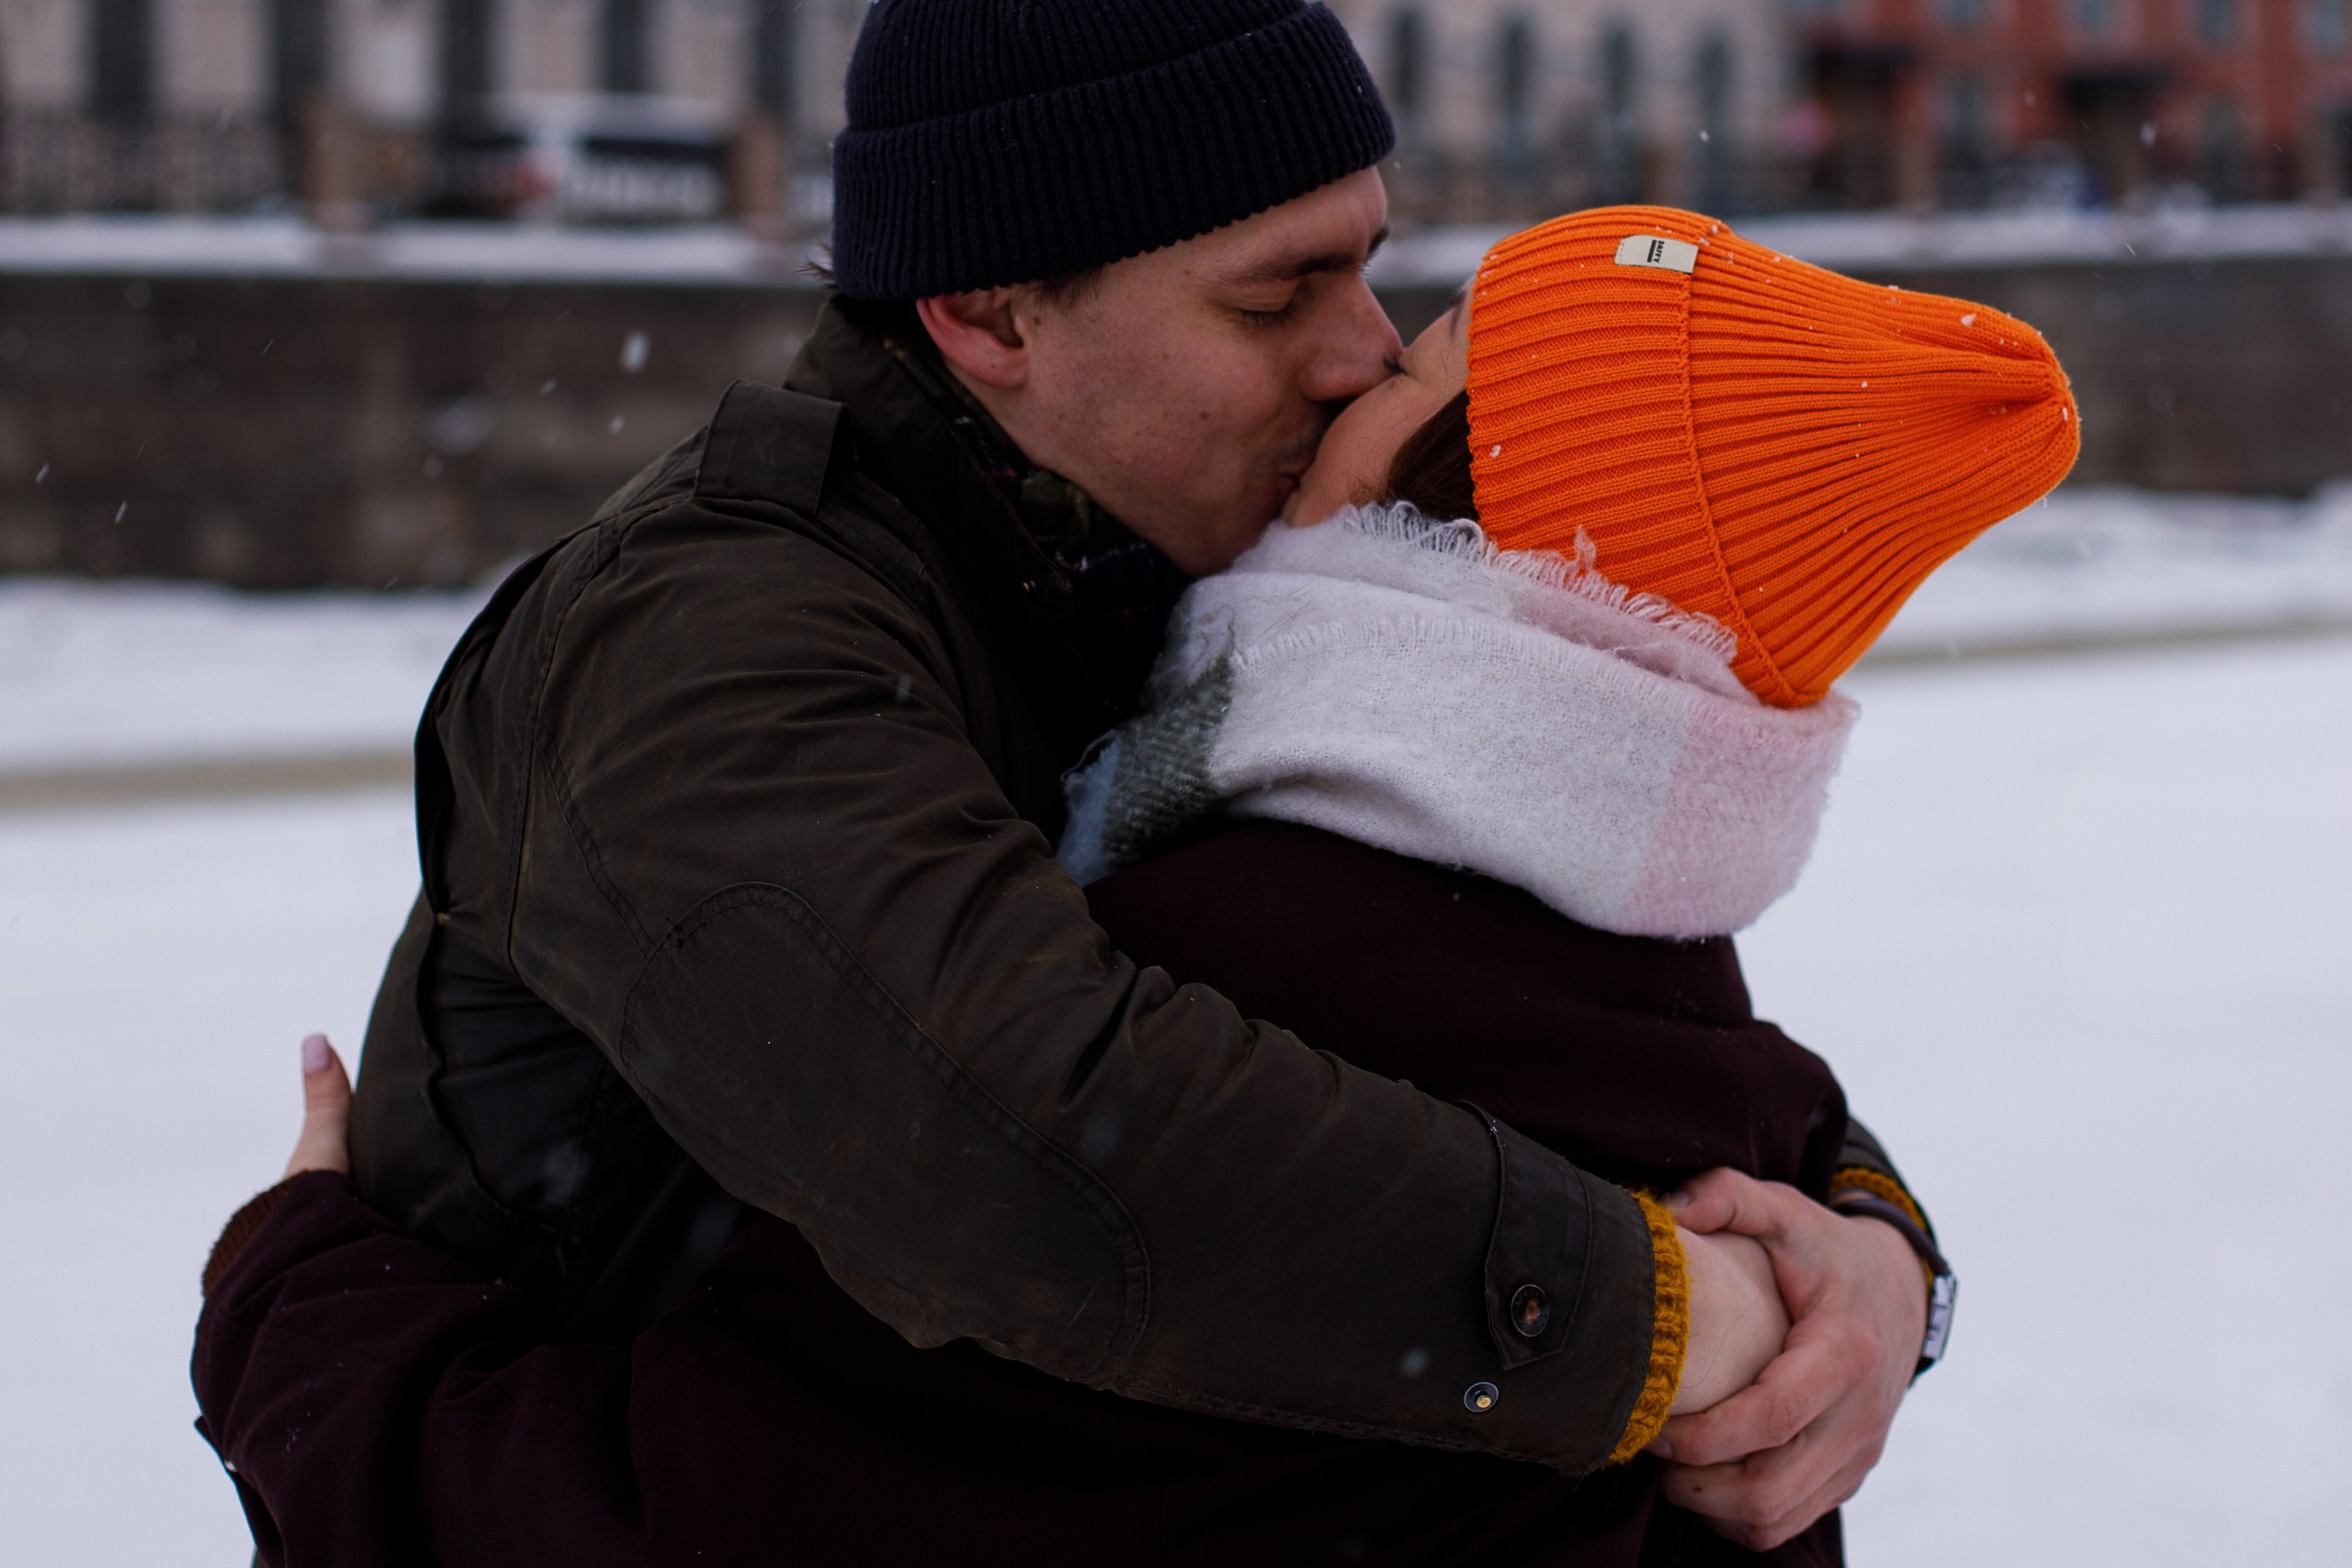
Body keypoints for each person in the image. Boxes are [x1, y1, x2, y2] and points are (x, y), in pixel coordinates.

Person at [230, 0, 1939, 1550]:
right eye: (1276, 292)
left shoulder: (1200, 576)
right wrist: (1678, 1319)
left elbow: (1550, 1012)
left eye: (1370, 267)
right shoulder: (711, 642)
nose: (1362, 349)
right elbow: (1036, 1144)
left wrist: (1861, 1249)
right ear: (986, 313)